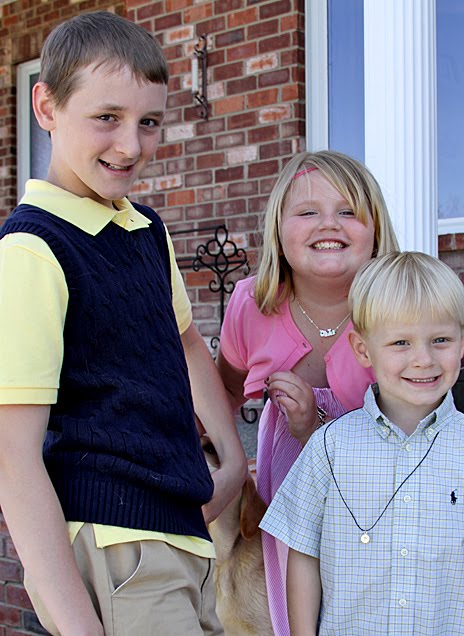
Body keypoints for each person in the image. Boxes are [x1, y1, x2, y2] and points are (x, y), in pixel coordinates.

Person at [0, 11, 247, 636]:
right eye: (107, 117)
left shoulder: (145, 230)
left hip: (183, 537)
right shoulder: (32, 251)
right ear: (46, 107)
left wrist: (232, 459)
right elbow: (11, 456)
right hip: (116, 546)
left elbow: (185, 341)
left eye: (149, 122)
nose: (131, 146)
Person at [261, 251, 464, 636]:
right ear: (362, 349)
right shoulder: (329, 447)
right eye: (401, 342)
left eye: (440, 340)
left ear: (463, 340)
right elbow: (303, 553)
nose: (423, 359)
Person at [217, 150, 400, 634]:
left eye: (348, 211)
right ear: (278, 230)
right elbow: (222, 394)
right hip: (288, 505)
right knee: (293, 613)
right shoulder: (252, 305)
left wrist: (316, 427)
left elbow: (419, 432)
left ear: (376, 229)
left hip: (380, 504)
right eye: (307, 212)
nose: (329, 224)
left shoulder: (397, 310)